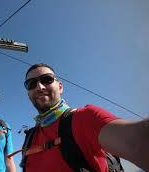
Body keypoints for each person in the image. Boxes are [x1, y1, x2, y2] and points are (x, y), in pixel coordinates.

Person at [21, 63, 149, 171]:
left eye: (47, 79)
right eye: (31, 84)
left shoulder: (84, 117)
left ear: (60, 87)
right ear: (28, 95)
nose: (39, 87)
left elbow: (136, 143)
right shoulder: (29, 139)